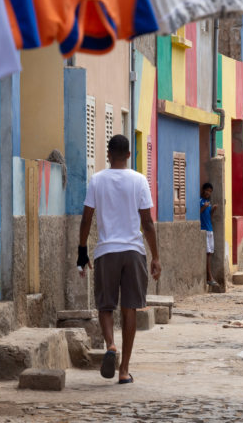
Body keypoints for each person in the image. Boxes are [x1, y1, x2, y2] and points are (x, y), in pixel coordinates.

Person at [77, 134, 162, 384]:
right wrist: (155, 256)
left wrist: (82, 251)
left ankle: (111, 346)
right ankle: (124, 370)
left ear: (108, 154)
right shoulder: (139, 180)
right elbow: (147, 222)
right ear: (128, 155)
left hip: (106, 252)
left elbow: (86, 219)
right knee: (130, 308)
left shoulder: (97, 181)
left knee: (105, 306)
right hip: (134, 251)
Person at [200, 182, 219, 288]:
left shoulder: (208, 202)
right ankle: (209, 277)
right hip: (204, 230)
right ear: (203, 190)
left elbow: (209, 217)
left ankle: (210, 276)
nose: (208, 193)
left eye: (210, 191)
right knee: (207, 254)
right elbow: (196, 213)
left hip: (210, 229)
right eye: (207, 190)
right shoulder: (200, 201)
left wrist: (212, 210)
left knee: (210, 253)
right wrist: (204, 207)